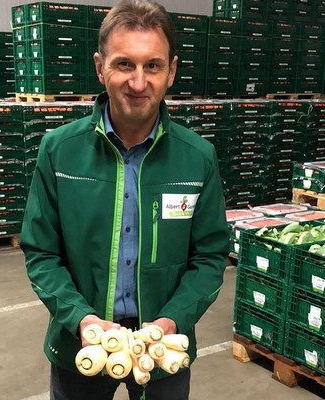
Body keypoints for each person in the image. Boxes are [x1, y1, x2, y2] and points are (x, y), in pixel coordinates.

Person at [20, 0, 229, 399]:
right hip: (80, 344)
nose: (138, 82)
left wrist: (173, 320)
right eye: (124, 64)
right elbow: (41, 252)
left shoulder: (197, 157)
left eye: (153, 65)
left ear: (171, 71)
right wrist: (81, 319)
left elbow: (210, 256)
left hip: (162, 348)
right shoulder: (60, 151)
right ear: (100, 68)